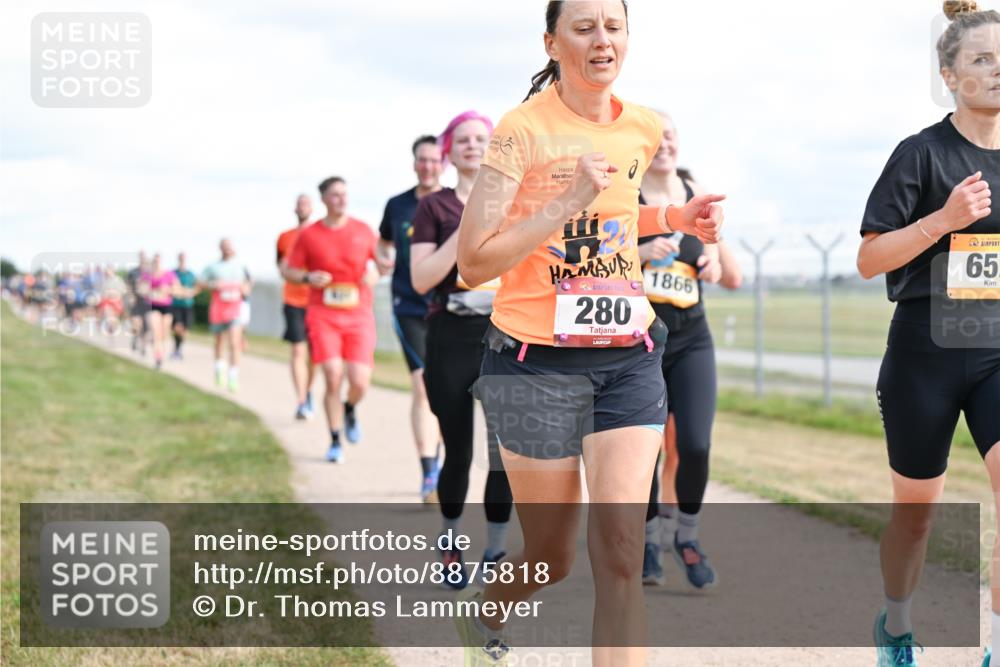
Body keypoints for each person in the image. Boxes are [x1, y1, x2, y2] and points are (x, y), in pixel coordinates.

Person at [454, 2, 724, 664]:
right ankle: (486, 611)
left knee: (622, 554)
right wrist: (563, 202)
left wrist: (673, 214)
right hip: (531, 364)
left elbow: (618, 216)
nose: (602, 38)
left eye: (614, 25)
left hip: (627, 360)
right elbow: (472, 263)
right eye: (584, 26)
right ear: (552, 41)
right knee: (551, 556)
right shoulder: (521, 131)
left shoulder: (642, 125)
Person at [856, 3, 999, 665]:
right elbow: (870, 258)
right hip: (925, 354)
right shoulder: (921, 153)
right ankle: (898, 623)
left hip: (998, 350)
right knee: (916, 515)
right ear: (949, 74)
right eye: (981, 59)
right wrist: (942, 220)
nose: (997, 71)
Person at [635, 111, 744, 589]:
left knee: (695, 444)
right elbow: (594, 264)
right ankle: (648, 542)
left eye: (671, 137)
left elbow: (728, 272)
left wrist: (713, 263)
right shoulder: (626, 199)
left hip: (692, 338)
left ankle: (688, 536)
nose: (664, 145)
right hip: (639, 343)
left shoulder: (697, 193)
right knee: (644, 452)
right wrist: (638, 255)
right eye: (654, 139)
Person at [411, 112, 513, 587]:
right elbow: (421, 278)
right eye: (464, 140)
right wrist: (468, 227)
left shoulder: (515, 199)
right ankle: (450, 541)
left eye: (482, 138)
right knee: (458, 449)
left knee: (503, 452)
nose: (474, 146)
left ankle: (495, 549)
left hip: (506, 336)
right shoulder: (434, 207)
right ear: (449, 151)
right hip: (451, 334)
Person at [284, 177, 388, 463]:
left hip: (358, 315)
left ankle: (350, 408)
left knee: (360, 381)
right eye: (336, 195)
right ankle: (334, 439)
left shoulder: (363, 230)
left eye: (345, 194)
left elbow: (384, 263)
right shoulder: (309, 235)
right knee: (332, 375)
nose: (342, 199)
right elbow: (289, 270)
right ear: (324, 200)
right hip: (323, 313)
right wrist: (308, 277)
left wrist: (376, 275)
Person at [377, 135, 445, 501]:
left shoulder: (455, 202)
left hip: (449, 308)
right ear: (414, 163)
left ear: (443, 163)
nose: (429, 166)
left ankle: (452, 461)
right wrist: (382, 258)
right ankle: (428, 472)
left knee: (452, 390)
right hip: (410, 307)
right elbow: (383, 242)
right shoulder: (398, 205)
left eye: (435, 160)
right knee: (422, 384)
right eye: (423, 160)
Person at [277, 194, 318, 420]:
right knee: (297, 350)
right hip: (293, 300)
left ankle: (308, 389)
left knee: (315, 356)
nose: (303, 207)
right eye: (300, 204)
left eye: (306, 204)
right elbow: (281, 268)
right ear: (295, 209)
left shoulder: (321, 234)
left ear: (312, 208)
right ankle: (301, 400)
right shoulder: (284, 238)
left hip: (317, 303)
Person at [200, 239, 251, 392]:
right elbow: (201, 283)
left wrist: (245, 289)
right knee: (219, 341)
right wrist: (213, 285)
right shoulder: (212, 267)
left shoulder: (241, 266)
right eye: (225, 247)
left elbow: (248, 284)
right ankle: (219, 368)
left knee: (235, 342)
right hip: (218, 309)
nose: (228, 249)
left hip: (235, 309)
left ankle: (233, 376)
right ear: (220, 248)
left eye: (230, 247)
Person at [142, 253, 177, 370]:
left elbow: (177, 288)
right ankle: (158, 358)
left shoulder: (169, 274)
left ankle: (159, 348)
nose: (157, 263)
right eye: (155, 261)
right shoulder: (147, 275)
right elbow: (142, 289)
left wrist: (168, 289)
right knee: (156, 332)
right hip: (153, 305)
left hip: (167, 306)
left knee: (164, 333)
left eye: (158, 260)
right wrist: (152, 291)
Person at [170, 252, 198, 360]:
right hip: (176, 304)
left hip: (188, 305)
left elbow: (196, 287)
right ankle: (176, 349)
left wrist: (190, 293)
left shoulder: (191, 274)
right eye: (180, 258)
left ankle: (178, 349)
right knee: (177, 328)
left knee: (185, 330)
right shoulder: (173, 273)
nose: (182, 260)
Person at [126, 251, 150, 356]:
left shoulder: (150, 273)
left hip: (147, 302)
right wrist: (130, 296)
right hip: (136, 301)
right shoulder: (133, 272)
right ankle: (135, 337)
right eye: (141, 258)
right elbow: (128, 285)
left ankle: (143, 347)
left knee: (145, 326)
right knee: (136, 322)